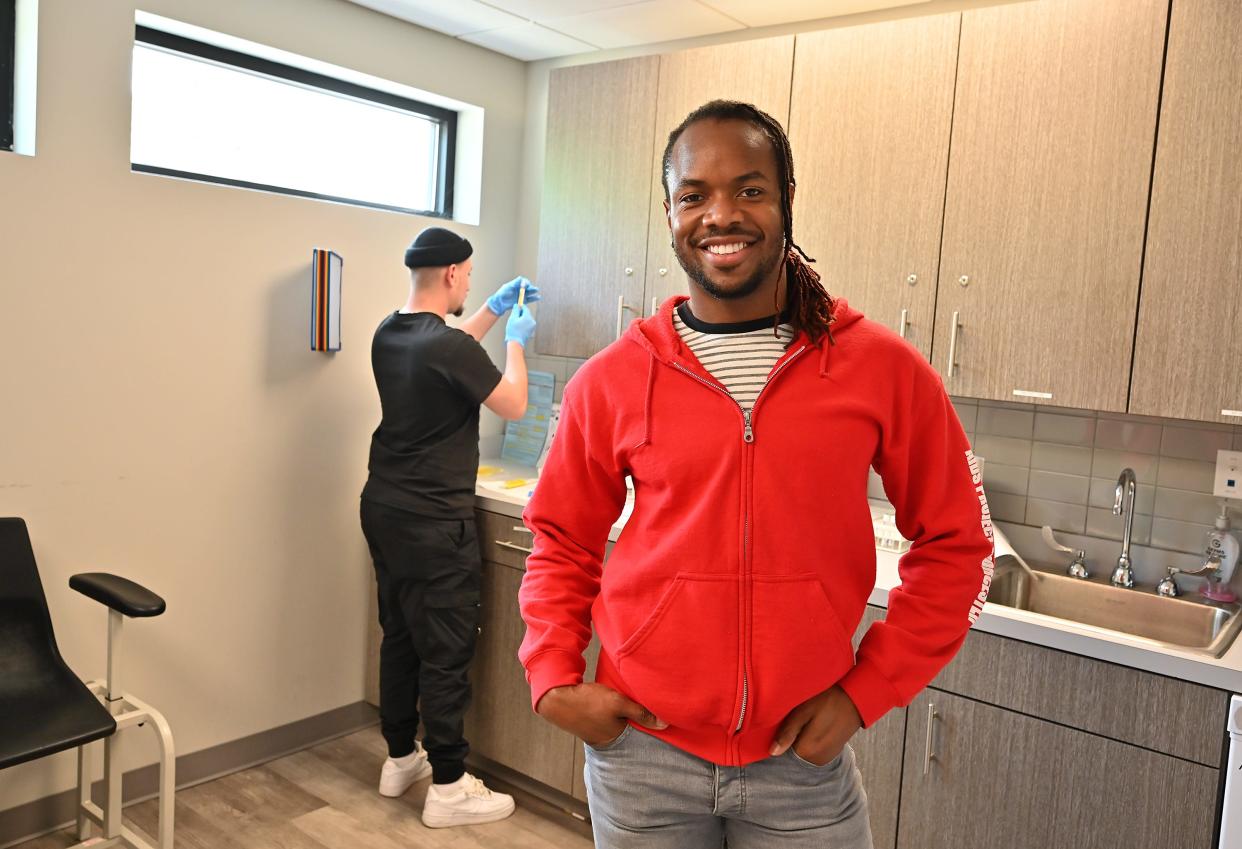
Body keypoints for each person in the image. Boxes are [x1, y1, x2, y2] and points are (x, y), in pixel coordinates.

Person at [517, 100, 995, 848]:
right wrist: (550, 671)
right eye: (694, 194)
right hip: (643, 754)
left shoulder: (879, 369)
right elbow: (560, 538)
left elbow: (961, 543)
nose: (722, 215)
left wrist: (866, 692)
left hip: (800, 764)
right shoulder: (613, 379)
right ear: (670, 211)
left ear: (786, 202)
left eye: (749, 189)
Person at [360, 226, 538, 828]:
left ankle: (398, 758)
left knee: (402, 635)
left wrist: (489, 309)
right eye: (471, 277)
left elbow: (451, 348)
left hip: (384, 507)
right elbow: (512, 401)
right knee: (445, 649)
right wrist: (516, 341)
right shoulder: (446, 345)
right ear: (455, 274)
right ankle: (450, 786)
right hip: (435, 520)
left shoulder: (391, 331)